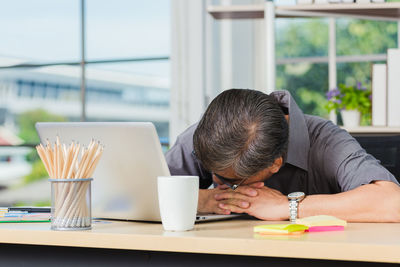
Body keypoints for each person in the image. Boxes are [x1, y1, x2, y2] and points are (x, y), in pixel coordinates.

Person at [166, 89, 400, 222]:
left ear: (275, 163)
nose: (218, 183)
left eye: (233, 182)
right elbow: (136, 196)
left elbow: (393, 203)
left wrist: (287, 207)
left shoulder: (326, 140)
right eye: (214, 173)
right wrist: (201, 200)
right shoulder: (209, 135)